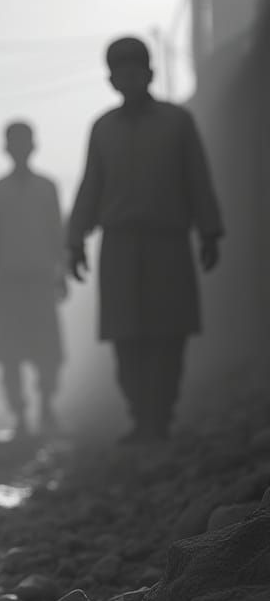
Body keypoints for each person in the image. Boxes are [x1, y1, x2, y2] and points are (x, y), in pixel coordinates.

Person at [67, 36, 223, 444]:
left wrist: (209, 231)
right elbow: (91, 187)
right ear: (111, 80)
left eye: (136, 69)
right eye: (121, 71)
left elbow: (197, 177)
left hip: (168, 242)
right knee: (126, 336)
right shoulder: (102, 129)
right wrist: (74, 239)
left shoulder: (177, 122)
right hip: (119, 245)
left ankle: (161, 417)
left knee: (169, 333)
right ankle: (140, 416)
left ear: (150, 73)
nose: (129, 78)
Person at [0, 120, 66, 438]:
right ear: (7, 148)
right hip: (9, 281)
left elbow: (57, 233)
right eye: (13, 143)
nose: (19, 149)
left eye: (23, 142)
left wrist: (62, 273)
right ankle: (19, 413)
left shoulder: (47, 188)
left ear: (33, 146)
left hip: (41, 278)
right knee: (10, 354)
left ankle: (46, 406)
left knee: (47, 353)